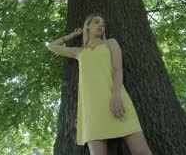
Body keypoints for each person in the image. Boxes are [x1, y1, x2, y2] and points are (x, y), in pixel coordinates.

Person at [47, 13, 153, 155]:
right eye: (96, 22)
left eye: (103, 24)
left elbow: (117, 69)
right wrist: (72, 35)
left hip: (117, 100)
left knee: (142, 152)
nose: (101, 26)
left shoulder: (110, 43)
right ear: (87, 27)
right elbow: (51, 46)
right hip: (92, 108)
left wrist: (116, 96)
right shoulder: (79, 52)